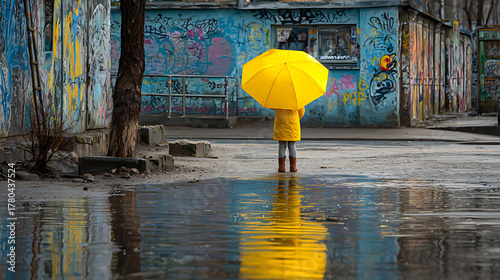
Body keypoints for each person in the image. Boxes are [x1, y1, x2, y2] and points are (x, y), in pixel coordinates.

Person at [272, 107, 305, 172]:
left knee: (281, 146)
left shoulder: (277, 101)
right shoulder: (296, 101)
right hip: (292, 126)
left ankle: (281, 167)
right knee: (292, 146)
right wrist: (295, 119)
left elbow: (272, 107)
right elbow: (301, 112)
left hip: (281, 125)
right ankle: (293, 167)